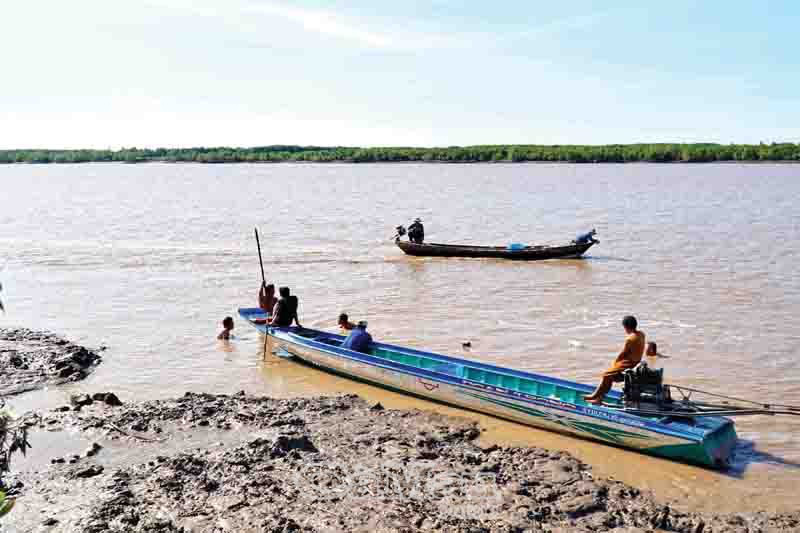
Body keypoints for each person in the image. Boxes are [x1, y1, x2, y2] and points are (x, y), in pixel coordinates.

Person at [583, 315, 646, 405]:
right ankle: (599, 399)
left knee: (606, 375)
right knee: (610, 376)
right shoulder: (641, 334)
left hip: (629, 363)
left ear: (626, 327)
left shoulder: (630, 338)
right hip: (636, 361)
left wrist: (616, 363)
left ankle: (594, 395)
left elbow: (623, 353)